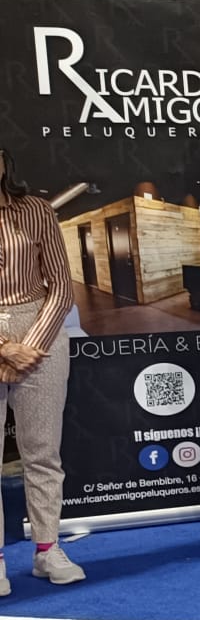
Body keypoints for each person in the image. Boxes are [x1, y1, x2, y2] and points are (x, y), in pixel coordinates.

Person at [0, 147, 83, 594]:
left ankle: (47, 549)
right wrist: (3, 347)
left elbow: (62, 286)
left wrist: (29, 346)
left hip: (41, 329)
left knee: (42, 452)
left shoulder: (34, 210)